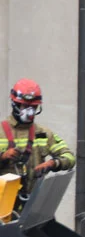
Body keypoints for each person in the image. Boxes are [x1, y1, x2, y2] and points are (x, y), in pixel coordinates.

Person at [1, 79, 76, 211]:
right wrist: (3, 157)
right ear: (15, 104)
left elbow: (69, 157)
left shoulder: (43, 133)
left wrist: (53, 163)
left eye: (33, 107)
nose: (29, 112)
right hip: (3, 207)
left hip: (32, 206)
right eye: (25, 106)